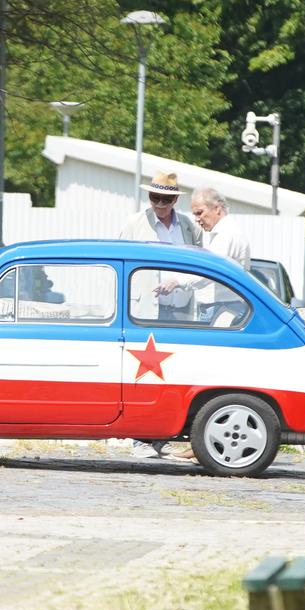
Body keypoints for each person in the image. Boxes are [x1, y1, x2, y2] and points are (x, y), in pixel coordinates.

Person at [119, 171, 198, 462]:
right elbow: (121, 264)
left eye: (166, 199)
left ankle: (167, 435)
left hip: (181, 309)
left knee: (177, 373)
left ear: (175, 199)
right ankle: (141, 438)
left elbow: (199, 261)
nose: (160, 204)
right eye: (155, 197)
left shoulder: (188, 226)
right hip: (145, 310)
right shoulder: (134, 224)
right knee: (144, 373)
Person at [190, 186, 250, 269]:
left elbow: (209, 269)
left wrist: (177, 281)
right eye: (195, 214)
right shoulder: (224, 232)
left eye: (199, 213)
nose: (196, 219)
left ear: (217, 208)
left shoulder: (227, 234)